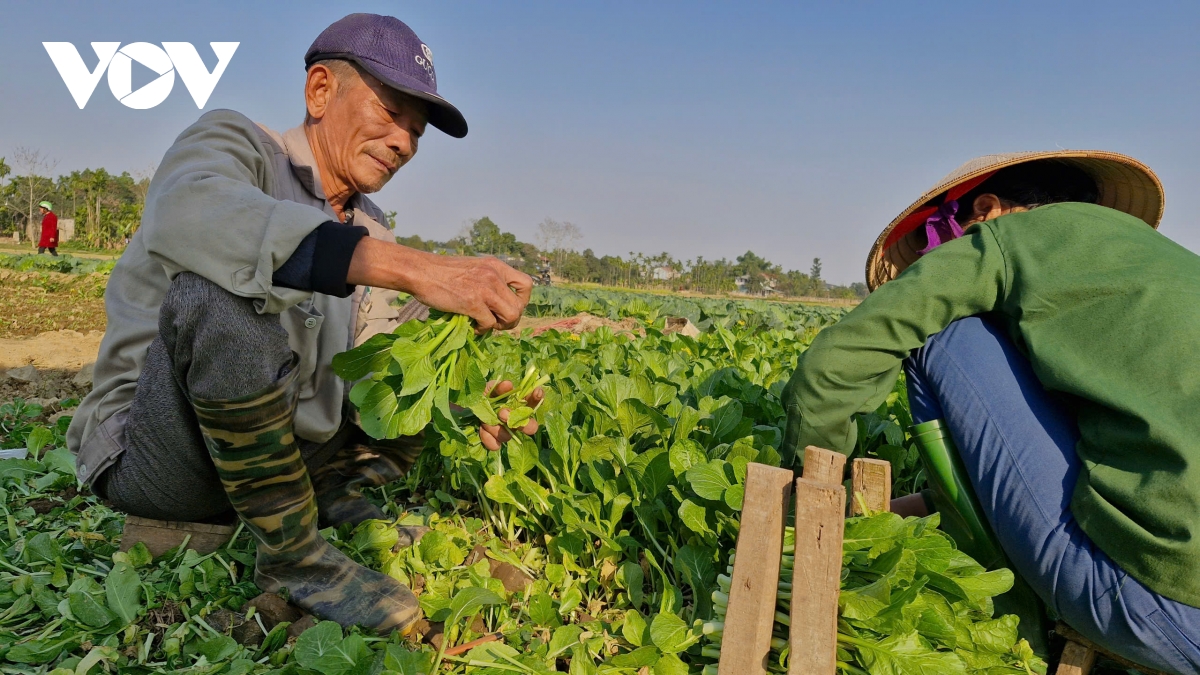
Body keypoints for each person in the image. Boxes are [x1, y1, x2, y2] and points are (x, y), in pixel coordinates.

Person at [68, 13, 539, 636]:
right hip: (165, 456)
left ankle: (333, 506)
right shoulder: (234, 144)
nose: (405, 143)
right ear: (320, 90)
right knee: (224, 293)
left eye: (416, 131)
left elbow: (371, 373)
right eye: (390, 112)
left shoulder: (371, 228)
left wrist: (464, 397)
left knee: (412, 370)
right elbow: (190, 215)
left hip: (280, 464)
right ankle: (296, 559)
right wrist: (417, 268)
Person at [781, 151, 1200, 674]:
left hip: (1157, 608)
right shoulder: (1169, 264)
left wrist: (810, 502)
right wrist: (886, 513)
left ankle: (1027, 638)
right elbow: (1035, 463)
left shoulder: (1004, 241)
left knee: (941, 328)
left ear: (986, 208)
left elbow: (828, 372)